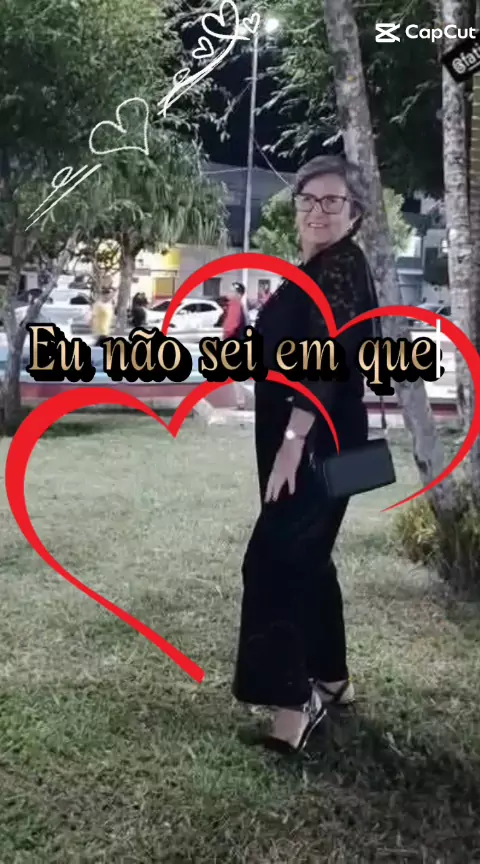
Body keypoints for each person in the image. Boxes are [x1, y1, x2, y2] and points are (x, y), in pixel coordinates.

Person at [232, 154, 379, 754]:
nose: (318, 211)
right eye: (308, 200)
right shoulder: (319, 268)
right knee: (310, 560)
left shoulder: (340, 267)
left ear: (354, 212)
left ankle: (293, 707)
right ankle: (333, 678)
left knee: (273, 562)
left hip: (314, 443)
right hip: (319, 441)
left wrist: (293, 445)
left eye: (332, 201)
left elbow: (328, 361)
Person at [222, 282, 250, 410]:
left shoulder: (235, 305)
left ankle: (241, 402)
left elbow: (230, 326)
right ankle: (241, 401)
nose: (229, 292)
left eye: (232, 290)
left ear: (238, 294)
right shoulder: (239, 306)